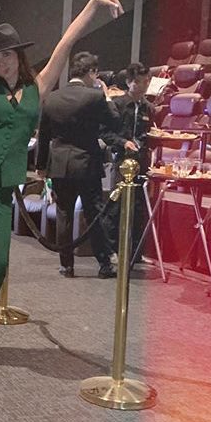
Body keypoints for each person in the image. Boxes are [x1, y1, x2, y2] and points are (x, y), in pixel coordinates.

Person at [0, 0, 123, 351]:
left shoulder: (38, 88)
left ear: (18, 56)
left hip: (1, 186)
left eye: (6, 55)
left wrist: (93, 5)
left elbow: (66, 42)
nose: (1, 63)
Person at [36, 51, 120, 281]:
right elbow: (115, 121)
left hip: (59, 164)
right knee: (94, 214)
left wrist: (41, 166)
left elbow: (43, 136)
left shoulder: (52, 98)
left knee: (64, 214)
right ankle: (104, 264)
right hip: (87, 163)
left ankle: (66, 265)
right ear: (91, 72)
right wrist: (107, 96)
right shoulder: (95, 96)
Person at [101, 62, 154, 260]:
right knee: (116, 206)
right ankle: (111, 250)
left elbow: (152, 133)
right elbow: (105, 133)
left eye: (147, 81)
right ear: (130, 82)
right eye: (139, 81)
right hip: (121, 161)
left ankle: (135, 253)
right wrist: (123, 143)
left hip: (142, 162)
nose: (144, 85)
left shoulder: (149, 108)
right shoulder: (118, 104)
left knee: (139, 207)